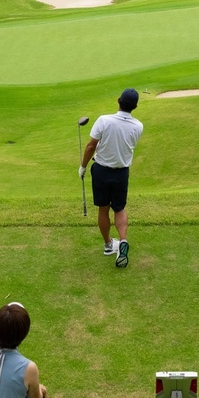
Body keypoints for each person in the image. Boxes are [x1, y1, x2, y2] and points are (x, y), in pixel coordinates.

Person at [78, 88, 144, 268]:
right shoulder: (138, 126)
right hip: (121, 172)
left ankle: (108, 245)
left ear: (118, 101)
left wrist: (83, 167)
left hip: (101, 170)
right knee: (119, 208)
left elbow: (91, 146)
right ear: (135, 107)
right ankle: (122, 241)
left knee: (103, 209)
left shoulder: (104, 120)